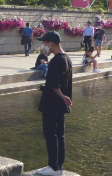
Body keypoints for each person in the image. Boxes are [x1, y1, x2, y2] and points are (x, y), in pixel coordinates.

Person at [36, 31, 73, 175]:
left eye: (45, 43)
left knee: (50, 134)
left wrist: (62, 96)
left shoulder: (56, 60)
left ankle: (52, 167)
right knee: (60, 135)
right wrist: (65, 98)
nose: (44, 46)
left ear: (51, 43)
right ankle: (59, 166)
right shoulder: (67, 58)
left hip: (51, 104)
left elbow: (54, 85)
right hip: (61, 105)